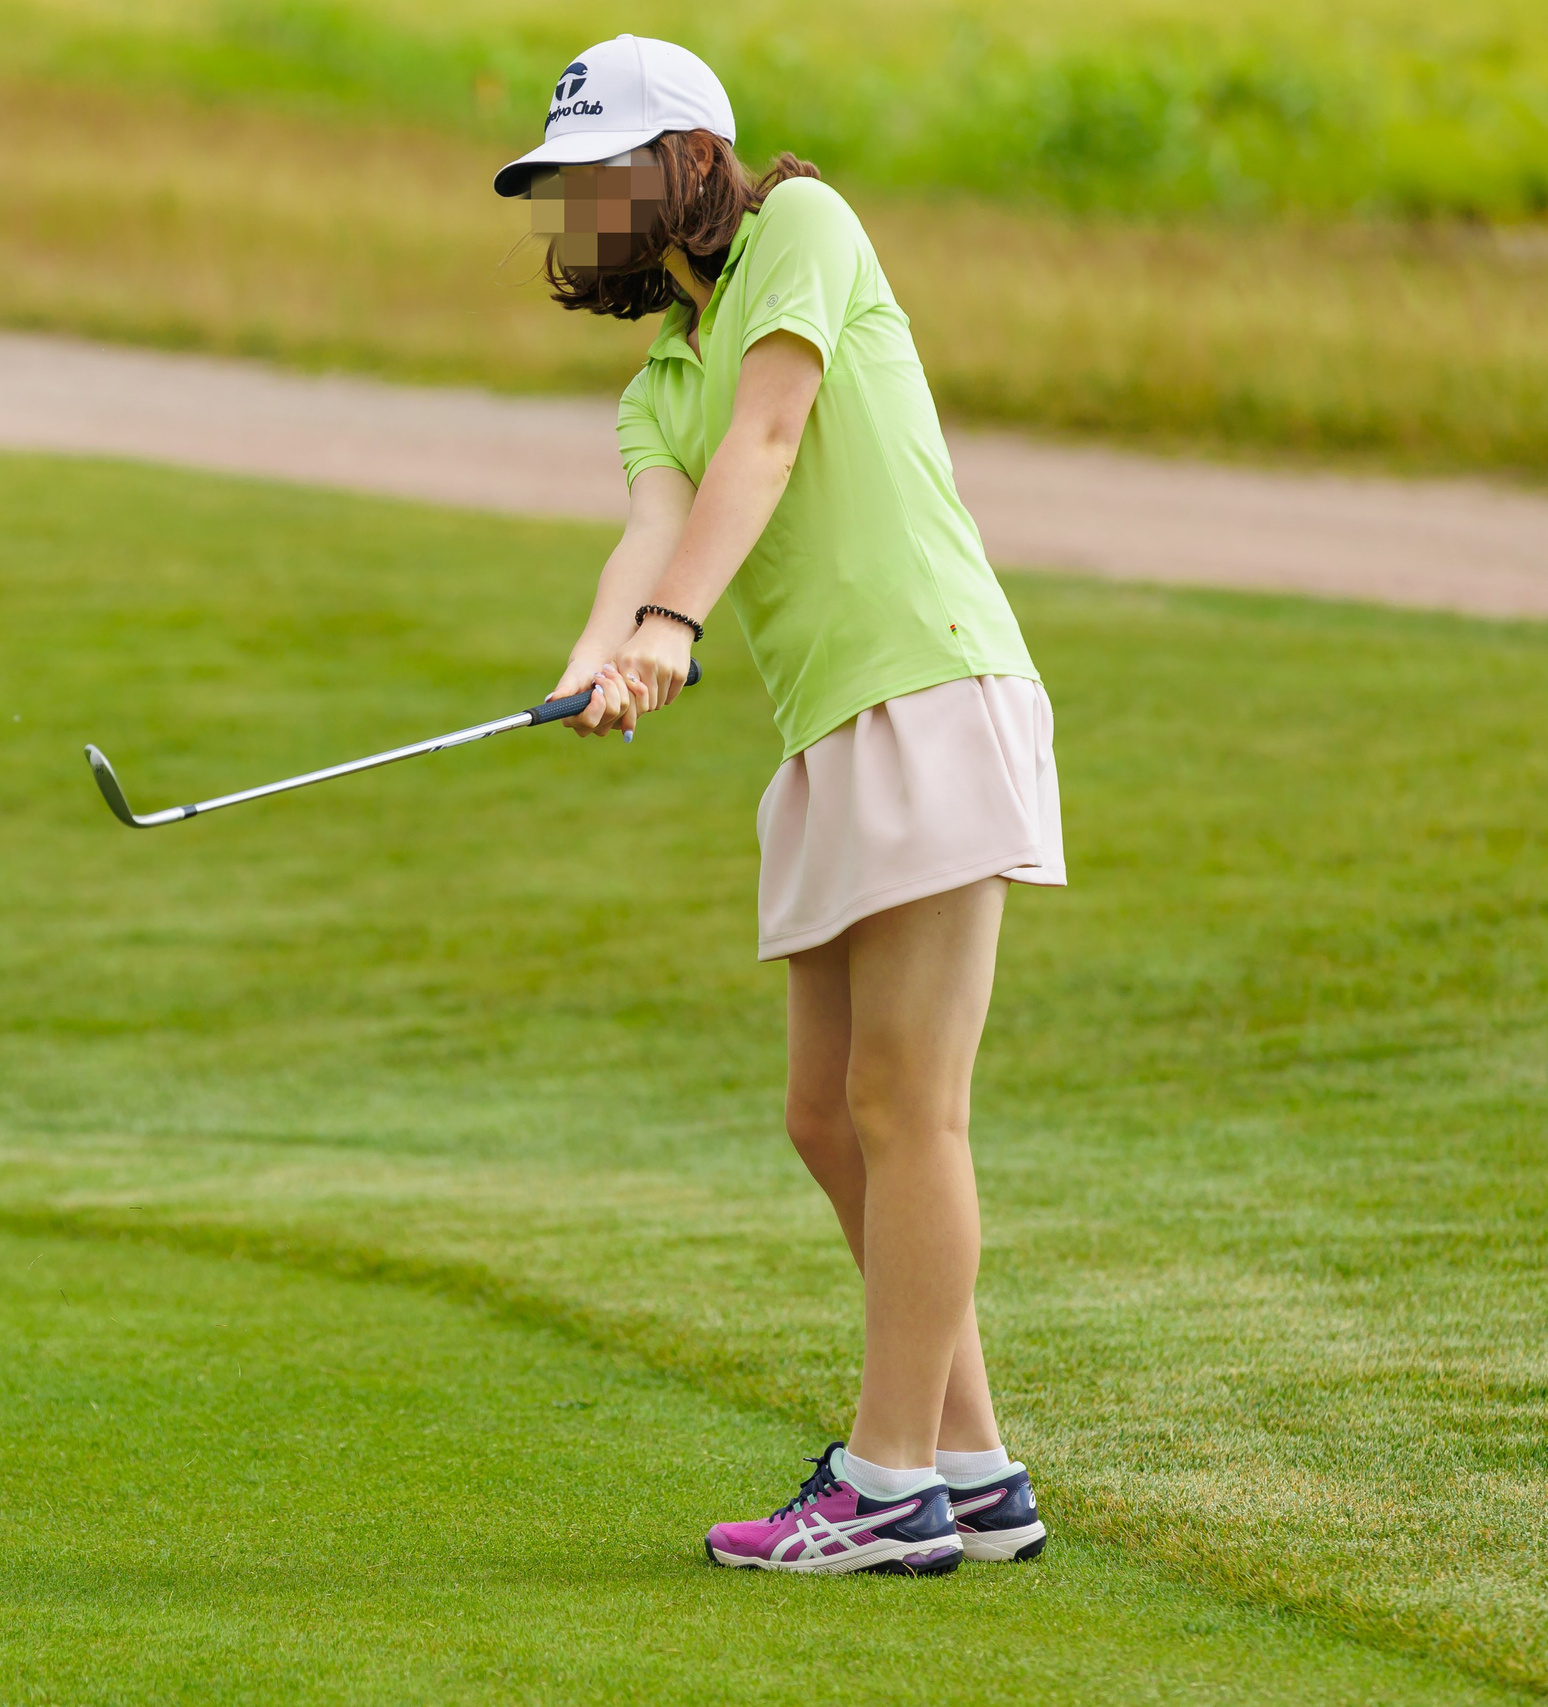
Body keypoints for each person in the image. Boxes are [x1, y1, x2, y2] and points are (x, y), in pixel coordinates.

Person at [496, 35, 1061, 1575]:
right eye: (565, 187)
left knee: (905, 1107)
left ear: (686, 158)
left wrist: (673, 633)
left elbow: (772, 436)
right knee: (828, 1117)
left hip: (931, 691)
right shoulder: (655, 379)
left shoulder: (805, 226)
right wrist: (596, 655)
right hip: (832, 735)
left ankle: (886, 1491)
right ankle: (971, 1466)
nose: (583, 205)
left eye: (602, 172)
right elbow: (655, 521)